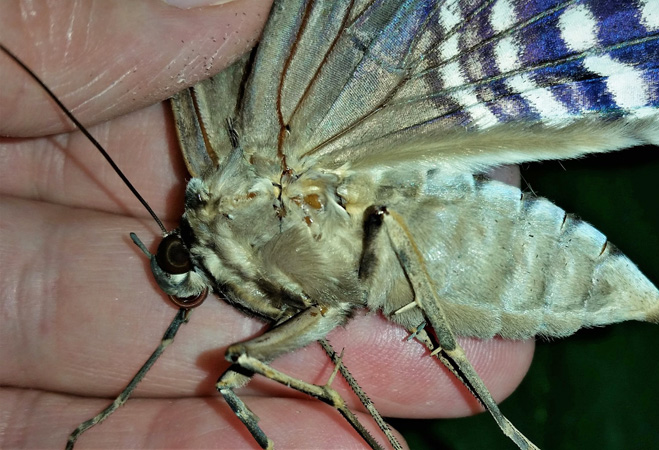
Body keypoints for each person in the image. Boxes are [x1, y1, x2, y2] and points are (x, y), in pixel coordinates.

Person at [0, 1, 534, 448]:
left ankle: (499, 421)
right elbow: (315, 306)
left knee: (236, 373)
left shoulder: (227, 196)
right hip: (415, 212)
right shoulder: (243, 257)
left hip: (416, 186)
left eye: (176, 259)